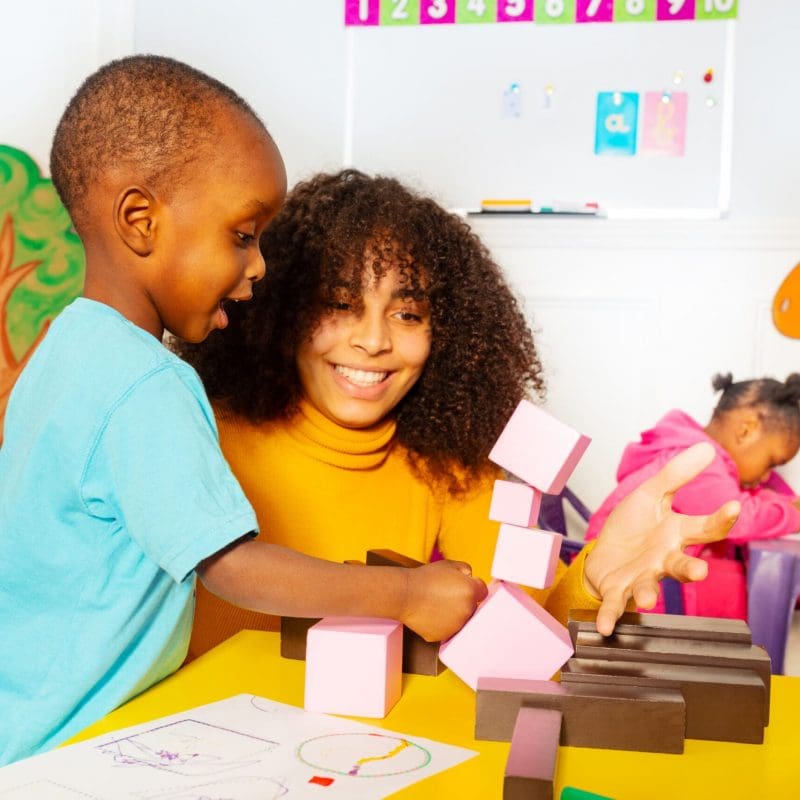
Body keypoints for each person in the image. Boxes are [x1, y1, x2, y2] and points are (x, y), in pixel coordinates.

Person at [0, 57, 488, 766]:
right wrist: (405, 593)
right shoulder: (148, 383)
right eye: (241, 235)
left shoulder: (66, 348)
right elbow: (232, 566)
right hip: (70, 749)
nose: (259, 265)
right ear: (141, 221)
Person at [175, 169, 740, 659]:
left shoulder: (451, 467)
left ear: (445, 333)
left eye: (407, 314)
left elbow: (521, 628)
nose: (373, 341)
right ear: (283, 311)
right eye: (341, 304)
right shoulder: (197, 431)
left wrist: (592, 579)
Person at [586, 373, 800, 618]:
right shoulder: (699, 461)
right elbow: (741, 517)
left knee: (753, 579)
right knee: (761, 593)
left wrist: (786, 503)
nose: (766, 476)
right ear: (745, 430)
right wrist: (795, 515)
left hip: (647, 572)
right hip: (622, 578)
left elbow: (756, 496)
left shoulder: (700, 453)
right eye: (771, 462)